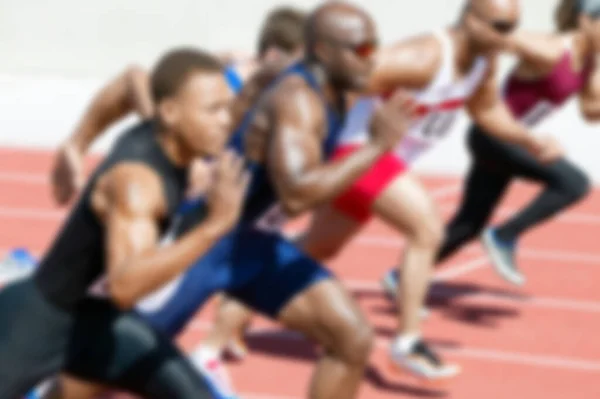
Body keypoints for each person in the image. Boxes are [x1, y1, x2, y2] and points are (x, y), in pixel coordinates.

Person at [39, 2, 412, 399]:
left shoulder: (326, 80)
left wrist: (220, 148)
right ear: (322, 51)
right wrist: (375, 147)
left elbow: (250, 95)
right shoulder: (299, 99)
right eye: (362, 50)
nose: (373, 59)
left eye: (376, 45)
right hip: (207, 240)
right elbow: (298, 193)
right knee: (97, 375)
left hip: (255, 243)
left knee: (351, 336)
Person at [206, 0, 565, 380]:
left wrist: (529, 138)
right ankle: (408, 343)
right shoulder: (423, 57)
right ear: (470, 21)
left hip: (375, 161)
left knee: (319, 246)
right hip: (359, 149)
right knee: (427, 227)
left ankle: (215, 335)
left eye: (513, 27)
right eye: (499, 27)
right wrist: (291, 105)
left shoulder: (483, 64)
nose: (508, 38)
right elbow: (343, 74)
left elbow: (487, 109)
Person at [0, 48, 249, 398]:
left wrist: (77, 143)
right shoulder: (136, 184)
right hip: (40, 321)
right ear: (171, 113)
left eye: (229, 107)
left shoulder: (166, 130)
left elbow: (131, 81)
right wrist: (214, 226)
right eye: (213, 110)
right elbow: (125, 284)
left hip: (102, 324)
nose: (227, 120)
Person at [384, 0, 598, 296]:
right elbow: (501, 36)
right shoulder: (549, 49)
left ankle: (400, 278)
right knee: (574, 182)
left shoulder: (588, 64)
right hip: (493, 136)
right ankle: (504, 235)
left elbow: (591, 111)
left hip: (512, 140)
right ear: (585, 20)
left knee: (469, 223)